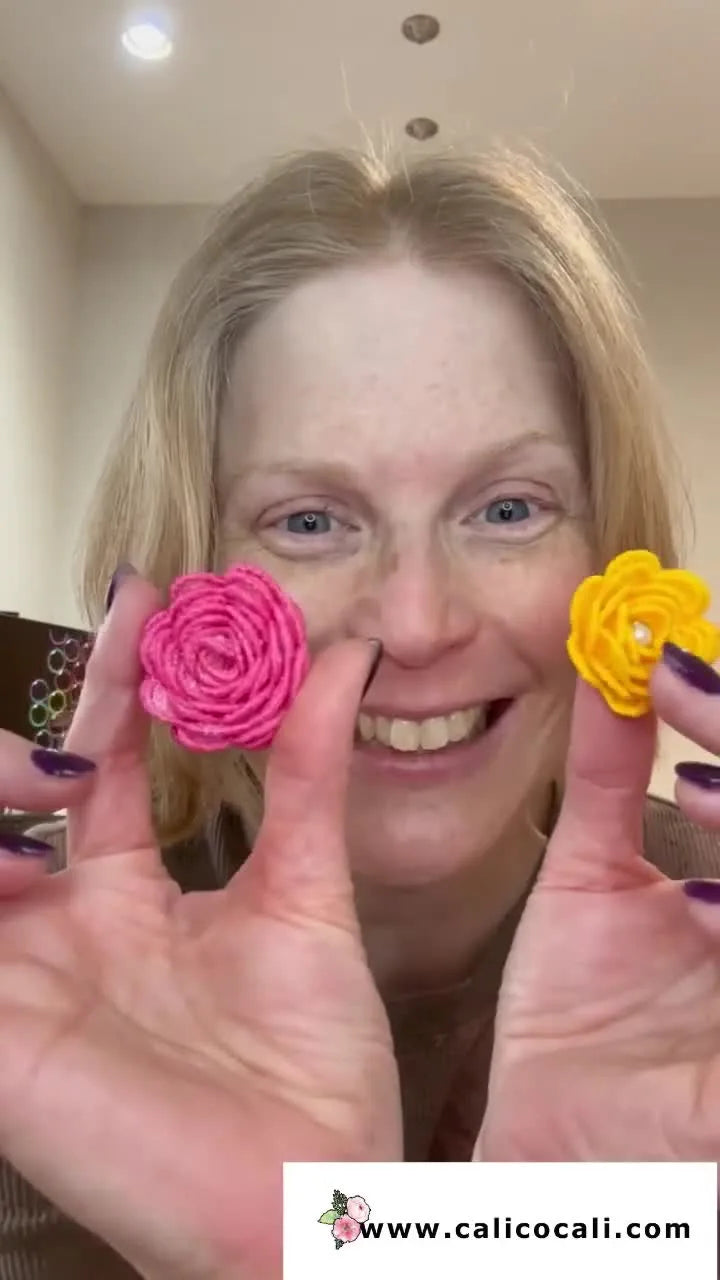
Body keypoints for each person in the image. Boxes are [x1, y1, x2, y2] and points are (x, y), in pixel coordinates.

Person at [1, 145, 719, 1280]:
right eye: (309, 521)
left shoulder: (707, 955)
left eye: (509, 506)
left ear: (610, 549)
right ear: (190, 562)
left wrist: (588, 1234)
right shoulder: (39, 994)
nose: (420, 619)